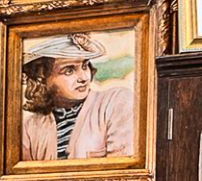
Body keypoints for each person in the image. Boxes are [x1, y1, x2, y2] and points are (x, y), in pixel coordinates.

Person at [19, 32, 136, 161]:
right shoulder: (29, 127)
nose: (83, 78)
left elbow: (123, 165)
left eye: (85, 66)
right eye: (69, 70)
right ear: (42, 78)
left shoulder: (116, 102)